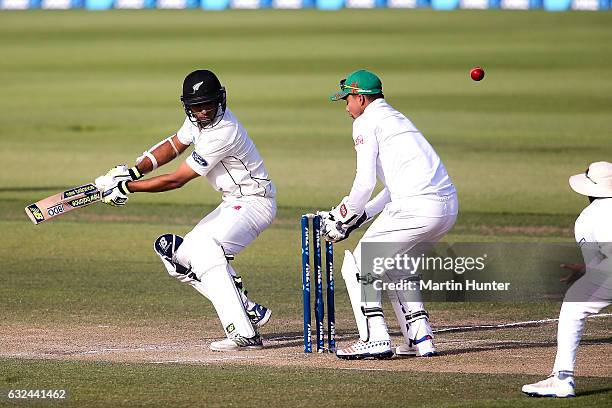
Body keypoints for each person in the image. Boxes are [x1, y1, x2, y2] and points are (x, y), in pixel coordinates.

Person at [95, 69, 276, 351]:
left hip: (255, 202)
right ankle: (247, 308)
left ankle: (245, 333)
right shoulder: (198, 122)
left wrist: (127, 188)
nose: (203, 112)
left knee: (204, 248)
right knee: (176, 255)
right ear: (188, 107)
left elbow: (177, 179)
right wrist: (132, 171)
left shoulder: (224, 132)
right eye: (196, 107)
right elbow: (172, 145)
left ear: (220, 100)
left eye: (209, 104)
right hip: (233, 202)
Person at [319, 69, 458, 360]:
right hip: (445, 207)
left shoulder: (365, 123)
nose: (346, 106)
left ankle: (374, 337)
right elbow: (391, 188)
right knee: (396, 262)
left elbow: (364, 182)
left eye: (348, 99)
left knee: (358, 265)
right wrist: (358, 217)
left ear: (361, 98)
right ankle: (419, 339)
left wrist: (342, 215)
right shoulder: (397, 119)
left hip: (416, 207)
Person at [522, 161, 612, 397]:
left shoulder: (587, 217)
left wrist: (585, 272)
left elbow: (597, 270)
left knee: (574, 304)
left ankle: (562, 378)